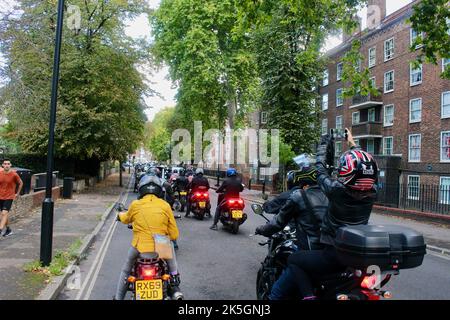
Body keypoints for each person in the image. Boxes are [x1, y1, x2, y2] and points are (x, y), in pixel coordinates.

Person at [284, 128, 379, 300]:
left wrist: (323, 144)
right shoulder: (373, 192)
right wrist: (352, 143)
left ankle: (308, 297)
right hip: (357, 255)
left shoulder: (336, 191)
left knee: (293, 260)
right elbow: (364, 167)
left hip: (334, 255)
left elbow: (320, 169)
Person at [114, 175, 183, 300]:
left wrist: (119, 215)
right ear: (159, 190)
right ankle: (175, 281)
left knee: (126, 269)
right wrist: (165, 234)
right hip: (161, 245)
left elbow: (125, 218)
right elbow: (174, 235)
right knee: (171, 259)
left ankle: (118, 298)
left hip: (139, 247)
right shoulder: (165, 205)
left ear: (141, 189)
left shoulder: (135, 205)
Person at [0, 159, 23, 237]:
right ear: (2, 165)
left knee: (4, 213)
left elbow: (20, 183)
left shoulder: (14, 174)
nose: (6, 165)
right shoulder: (0, 173)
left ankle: (0, 230)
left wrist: (17, 193)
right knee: (4, 215)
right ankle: (8, 229)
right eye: (5, 164)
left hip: (9, 196)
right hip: (0, 196)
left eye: (8, 164)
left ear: (10, 165)